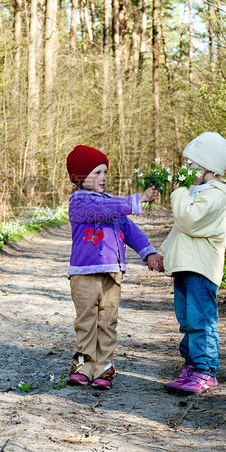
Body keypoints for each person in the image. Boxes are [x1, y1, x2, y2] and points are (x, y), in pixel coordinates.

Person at [66, 145, 163, 390]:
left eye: (105, 172)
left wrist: (148, 252)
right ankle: (82, 365)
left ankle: (103, 368)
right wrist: (136, 199)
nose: (103, 177)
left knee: (107, 322)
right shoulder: (79, 201)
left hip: (113, 273)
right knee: (86, 321)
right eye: (96, 173)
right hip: (84, 273)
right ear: (79, 177)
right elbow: (102, 209)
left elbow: (131, 231)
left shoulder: (113, 203)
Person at [158, 132, 226, 395]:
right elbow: (179, 230)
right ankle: (191, 367)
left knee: (201, 320)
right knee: (186, 320)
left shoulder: (216, 196)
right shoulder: (199, 192)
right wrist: (164, 253)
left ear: (208, 167)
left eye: (191, 164)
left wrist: (179, 191)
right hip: (186, 267)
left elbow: (188, 221)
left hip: (201, 269)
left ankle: (205, 371)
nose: (186, 169)